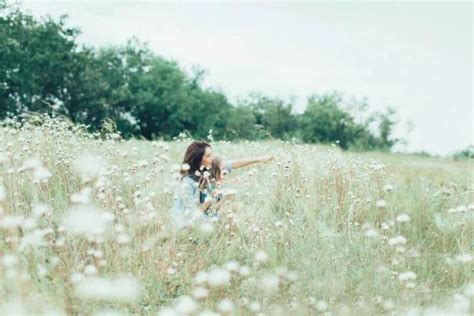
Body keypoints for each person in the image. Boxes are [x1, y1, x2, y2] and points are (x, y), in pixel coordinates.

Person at [169, 141, 273, 228]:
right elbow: (193, 215)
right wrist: (211, 199)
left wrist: (259, 159)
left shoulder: (209, 169)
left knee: (236, 207)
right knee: (228, 212)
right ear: (198, 160)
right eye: (209, 156)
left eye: (212, 154)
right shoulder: (187, 183)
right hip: (186, 223)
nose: (212, 158)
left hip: (204, 216)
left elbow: (233, 163)